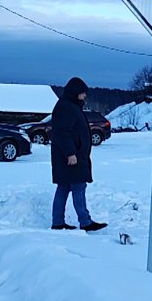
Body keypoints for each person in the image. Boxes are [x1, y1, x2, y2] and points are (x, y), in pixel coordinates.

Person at [49, 77, 107, 232]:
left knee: (64, 187)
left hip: (71, 157)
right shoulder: (66, 107)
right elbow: (62, 132)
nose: (84, 96)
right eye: (82, 93)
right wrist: (70, 153)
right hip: (70, 158)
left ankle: (58, 222)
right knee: (78, 186)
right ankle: (85, 222)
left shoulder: (70, 106)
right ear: (75, 93)